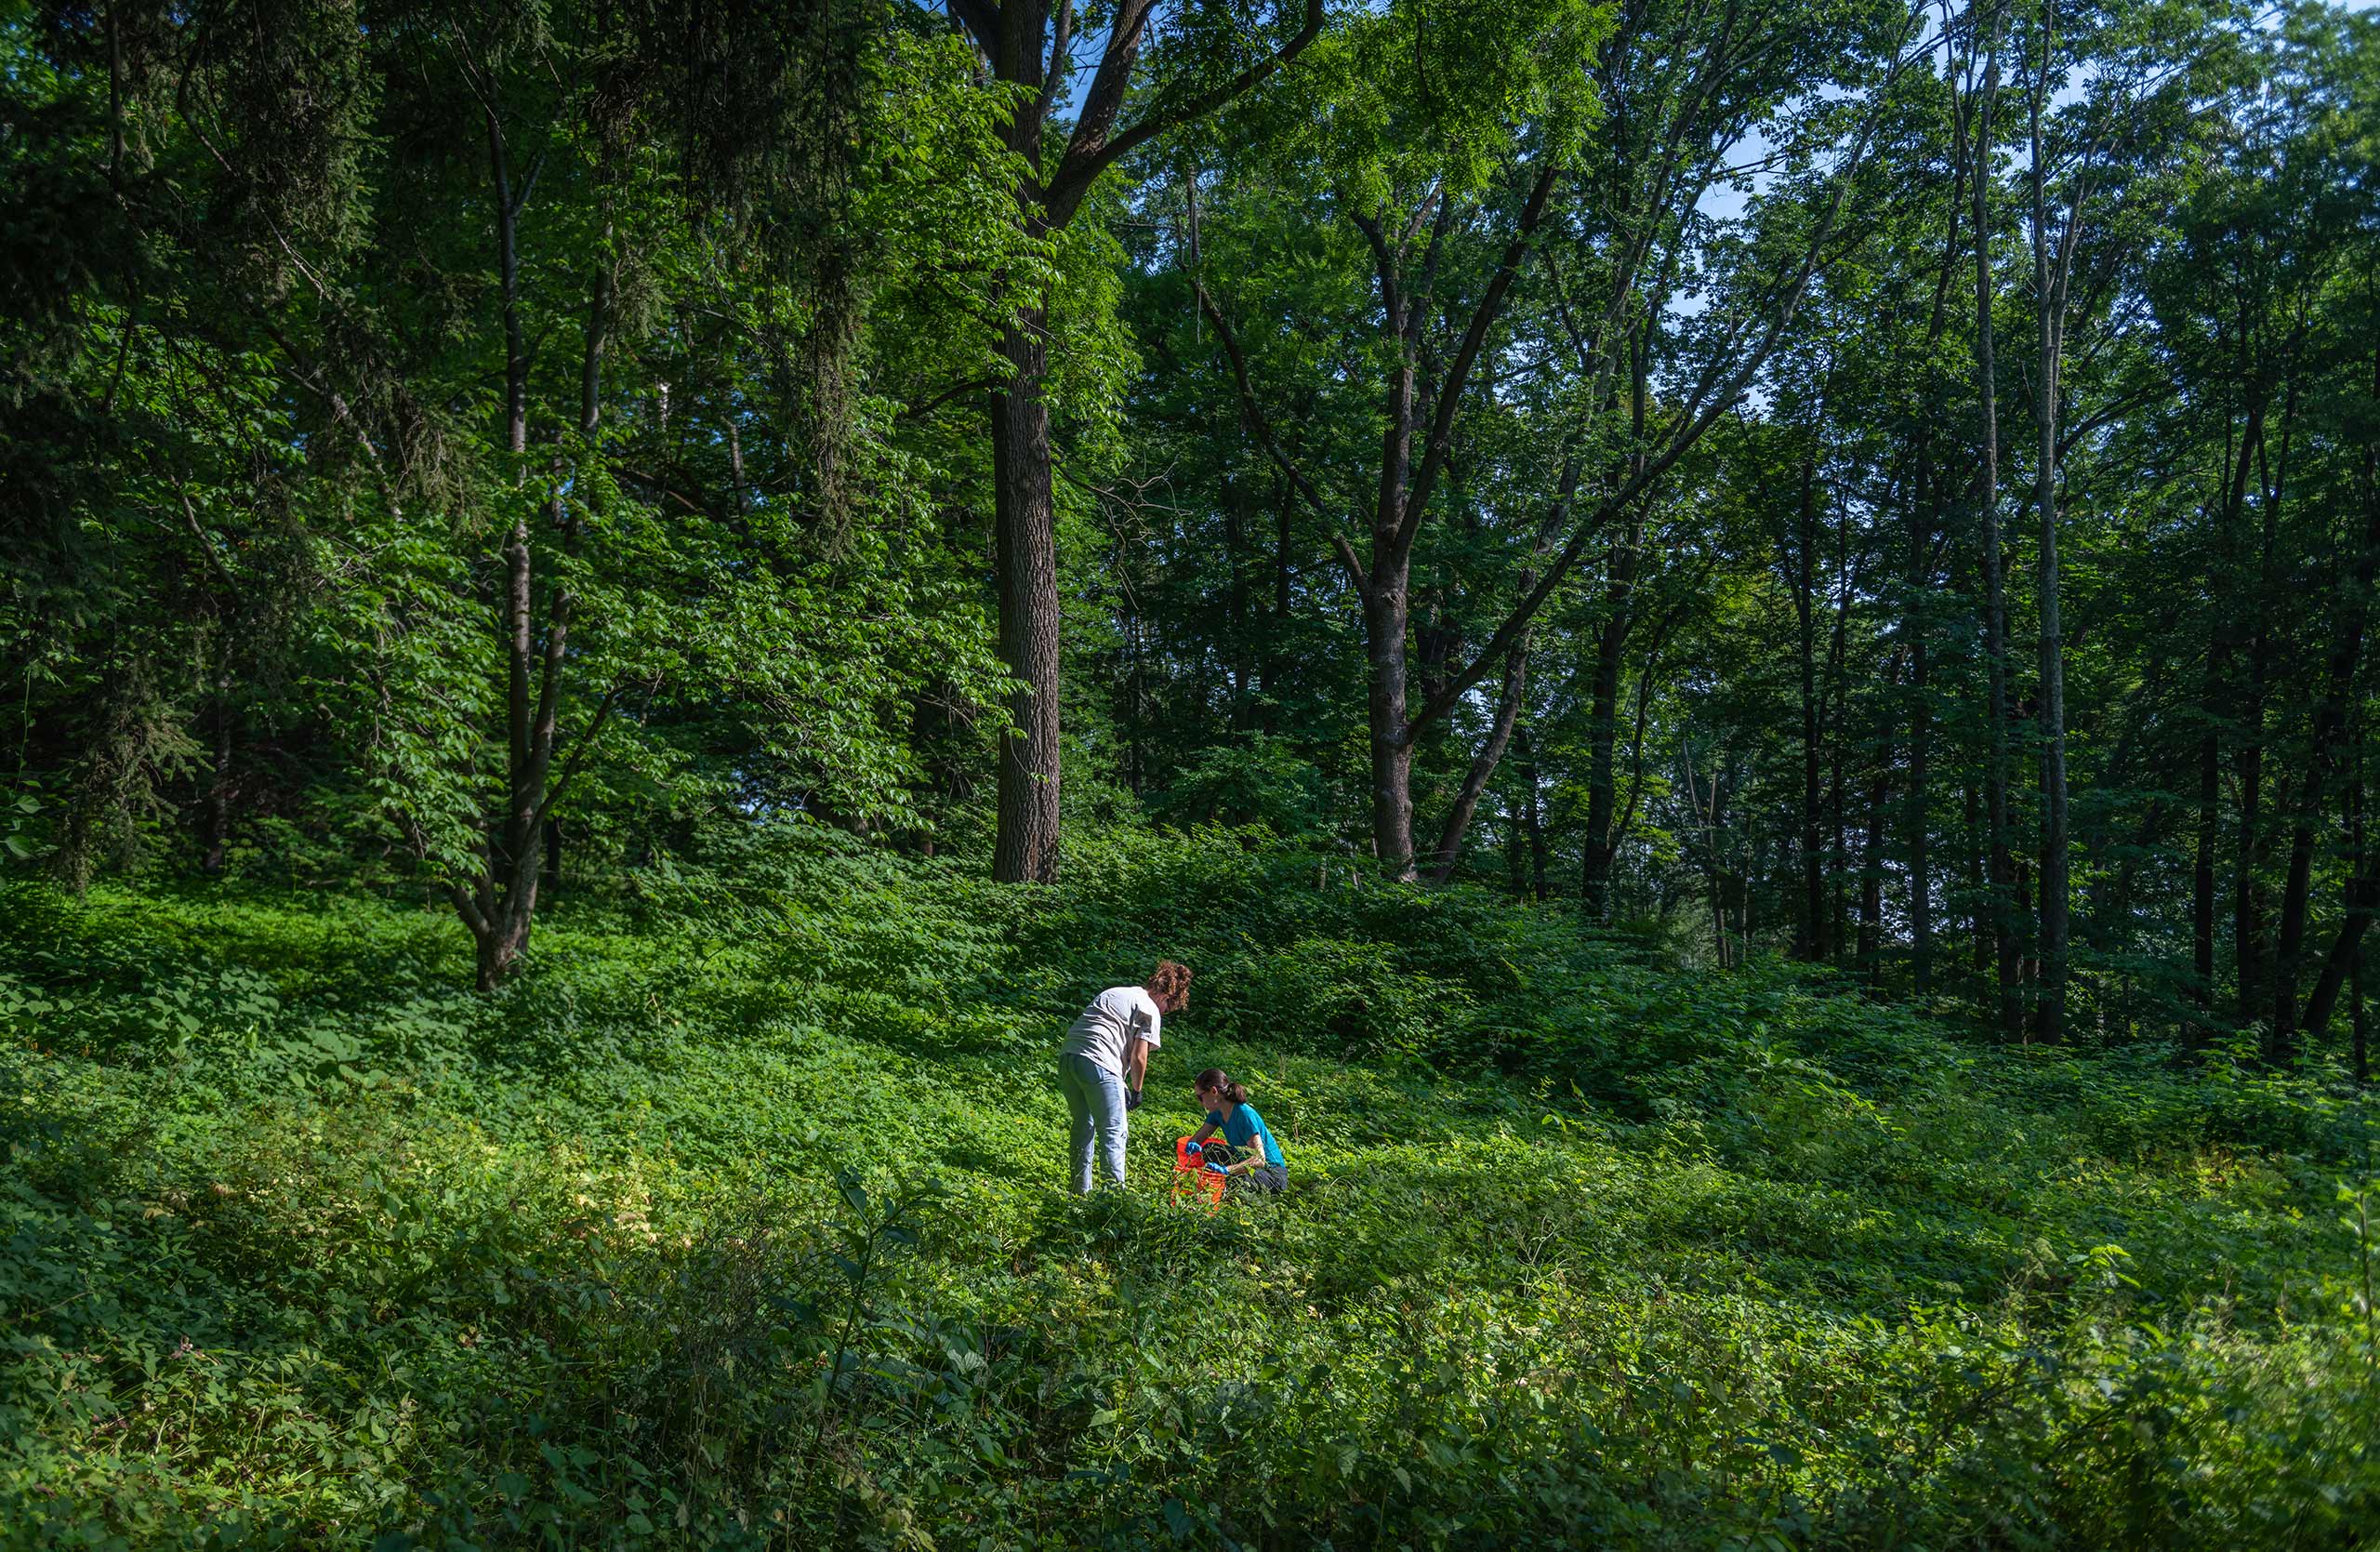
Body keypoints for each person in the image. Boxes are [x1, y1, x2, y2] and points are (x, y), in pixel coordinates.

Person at [1057, 961, 1193, 1193]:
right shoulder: (1150, 1008)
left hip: (1069, 1057)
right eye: (1168, 1010)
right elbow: (1139, 1056)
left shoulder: (1117, 992)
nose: (1164, 1014)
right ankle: (1113, 1201)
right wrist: (1137, 1090)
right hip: (1101, 1062)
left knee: (1083, 1126)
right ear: (1167, 998)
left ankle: (1079, 1193)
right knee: (1114, 1131)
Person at [1185, 1068, 1287, 1196]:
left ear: (1213, 1091)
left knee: (1238, 1179)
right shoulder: (1217, 1112)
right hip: (1245, 1162)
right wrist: (1193, 1144)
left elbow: (1259, 1159)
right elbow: (1197, 1138)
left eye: (1200, 1097)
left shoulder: (1244, 1115)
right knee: (1210, 1149)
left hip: (1272, 1175)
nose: (1200, 1102)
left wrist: (1227, 1170)